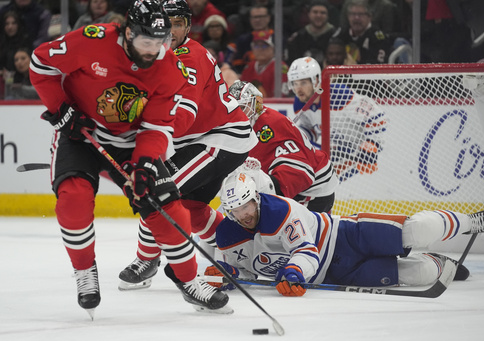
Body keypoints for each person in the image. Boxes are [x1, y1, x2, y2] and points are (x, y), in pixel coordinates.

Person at [29, 0, 230, 317]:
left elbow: (156, 128)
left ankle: (189, 280)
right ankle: (84, 271)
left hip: (130, 141)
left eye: (158, 43)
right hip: (80, 134)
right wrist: (60, 109)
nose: (151, 51)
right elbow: (41, 65)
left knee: (167, 205)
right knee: (74, 197)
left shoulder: (169, 70)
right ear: (126, 32)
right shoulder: (93, 40)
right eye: (144, 42)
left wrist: (146, 165)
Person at [117, 0, 257, 292]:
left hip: (221, 137)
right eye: (167, 23)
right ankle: (246, 247)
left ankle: (147, 260)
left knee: (157, 190)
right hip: (197, 139)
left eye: (178, 23)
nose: (172, 30)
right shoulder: (152, 57)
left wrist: (151, 144)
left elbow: (184, 114)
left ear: (188, 27)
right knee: (190, 209)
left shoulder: (189, 56)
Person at [205, 172, 484, 296]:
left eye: (246, 205)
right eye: (235, 211)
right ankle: (441, 262)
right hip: (340, 274)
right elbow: (241, 270)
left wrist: (295, 273)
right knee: (419, 274)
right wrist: (226, 273)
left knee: (418, 230)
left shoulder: (281, 211)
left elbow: (305, 253)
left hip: (346, 235)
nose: (243, 215)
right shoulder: (228, 236)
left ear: (256, 198)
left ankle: (475, 221)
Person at [228, 80, 337, 213]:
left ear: (255, 104)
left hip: (313, 190)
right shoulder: (250, 126)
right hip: (305, 183)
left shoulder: (269, 125)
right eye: (233, 109)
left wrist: (268, 192)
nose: (237, 115)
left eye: (242, 108)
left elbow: (301, 171)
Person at [287, 56, 387, 180]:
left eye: (303, 83)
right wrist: (299, 138)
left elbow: (377, 117)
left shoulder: (339, 95)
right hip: (339, 155)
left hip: (363, 156)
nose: (298, 89)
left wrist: (371, 144)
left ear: (316, 80)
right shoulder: (300, 103)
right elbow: (310, 128)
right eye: (295, 83)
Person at [286, 0, 336, 66]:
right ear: (308, 14)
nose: (318, 15)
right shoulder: (298, 38)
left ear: (328, 16)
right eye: (315, 12)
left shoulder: (336, 36)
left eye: (322, 13)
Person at [240, 29, 288, 97]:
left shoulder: (280, 67)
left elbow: (281, 96)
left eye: (264, 46)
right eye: (256, 46)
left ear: (273, 48)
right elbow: (240, 92)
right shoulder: (249, 67)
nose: (260, 49)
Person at [231, 4, 272, 74]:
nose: (257, 20)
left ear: (268, 18)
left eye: (260, 17)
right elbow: (237, 66)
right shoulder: (242, 40)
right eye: (254, 17)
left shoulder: (277, 37)